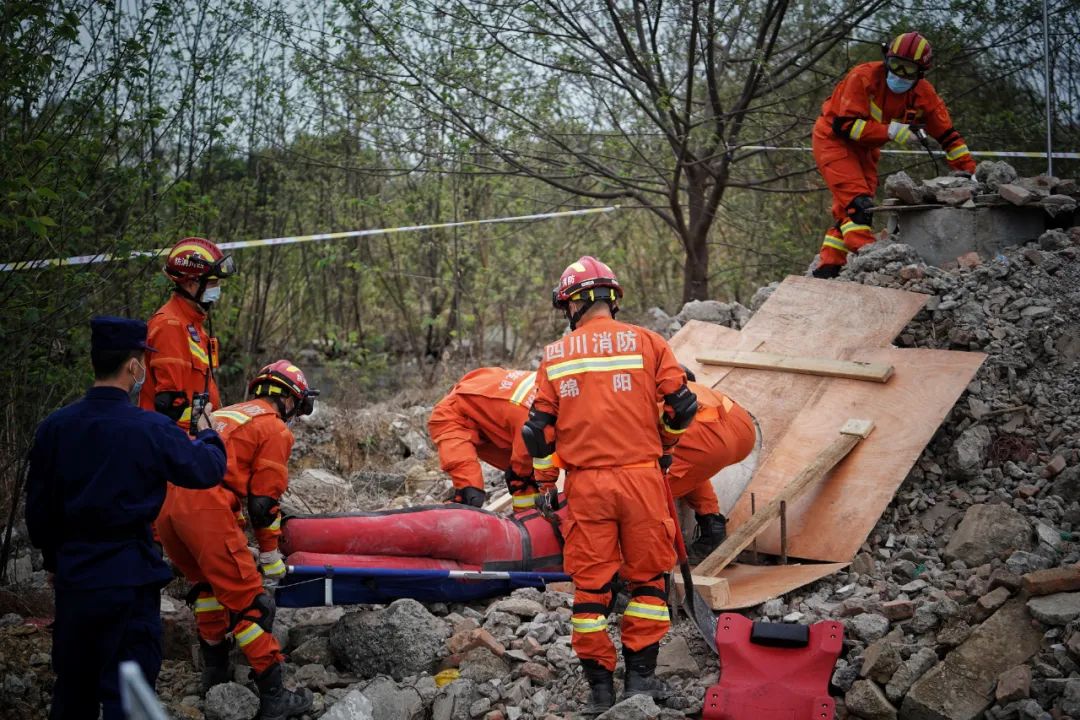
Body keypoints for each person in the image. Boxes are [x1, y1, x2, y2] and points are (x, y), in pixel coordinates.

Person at [25, 316, 226, 720]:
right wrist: (209, 433)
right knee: (129, 693)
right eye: (143, 364)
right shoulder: (150, 428)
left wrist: (53, 562)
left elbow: (38, 510)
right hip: (130, 580)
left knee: (73, 690)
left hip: (76, 578)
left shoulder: (54, 427)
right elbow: (206, 470)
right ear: (134, 367)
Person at [523, 256, 697, 714]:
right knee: (648, 581)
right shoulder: (649, 342)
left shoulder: (555, 356)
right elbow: (682, 405)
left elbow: (537, 429)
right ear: (611, 299)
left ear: (573, 304)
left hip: (586, 487)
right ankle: (640, 685)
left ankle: (600, 693)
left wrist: (545, 481)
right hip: (642, 480)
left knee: (592, 587)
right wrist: (664, 444)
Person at [155, 360, 318, 720]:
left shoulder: (227, 413)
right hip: (205, 507)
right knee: (253, 604)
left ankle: (214, 674)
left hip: (168, 506)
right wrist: (271, 552)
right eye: (299, 407)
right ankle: (274, 695)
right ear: (289, 400)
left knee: (208, 590)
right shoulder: (273, 428)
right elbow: (263, 503)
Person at [811, 31, 977, 278]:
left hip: (866, 147)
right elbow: (843, 126)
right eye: (896, 65)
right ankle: (872, 258)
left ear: (921, 73)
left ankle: (828, 268)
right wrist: (889, 130)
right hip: (833, 142)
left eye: (908, 70)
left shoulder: (925, 96)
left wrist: (969, 172)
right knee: (858, 204)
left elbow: (948, 136)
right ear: (886, 58)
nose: (900, 74)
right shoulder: (863, 77)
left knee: (850, 208)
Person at [140, 236, 235, 431]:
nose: (217, 289)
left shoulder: (193, 323)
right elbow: (170, 406)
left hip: (194, 440)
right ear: (192, 283)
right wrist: (208, 427)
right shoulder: (170, 326)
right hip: (176, 443)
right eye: (213, 283)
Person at [667, 374, 756, 563]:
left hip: (704, 436)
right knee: (690, 466)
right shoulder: (667, 378)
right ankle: (712, 526)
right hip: (741, 424)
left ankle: (645, 561)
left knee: (644, 493)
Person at [428, 367, 540, 510]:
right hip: (453, 415)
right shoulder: (535, 421)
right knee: (470, 494)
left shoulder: (563, 395)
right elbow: (521, 471)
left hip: (487, 400)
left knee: (537, 473)